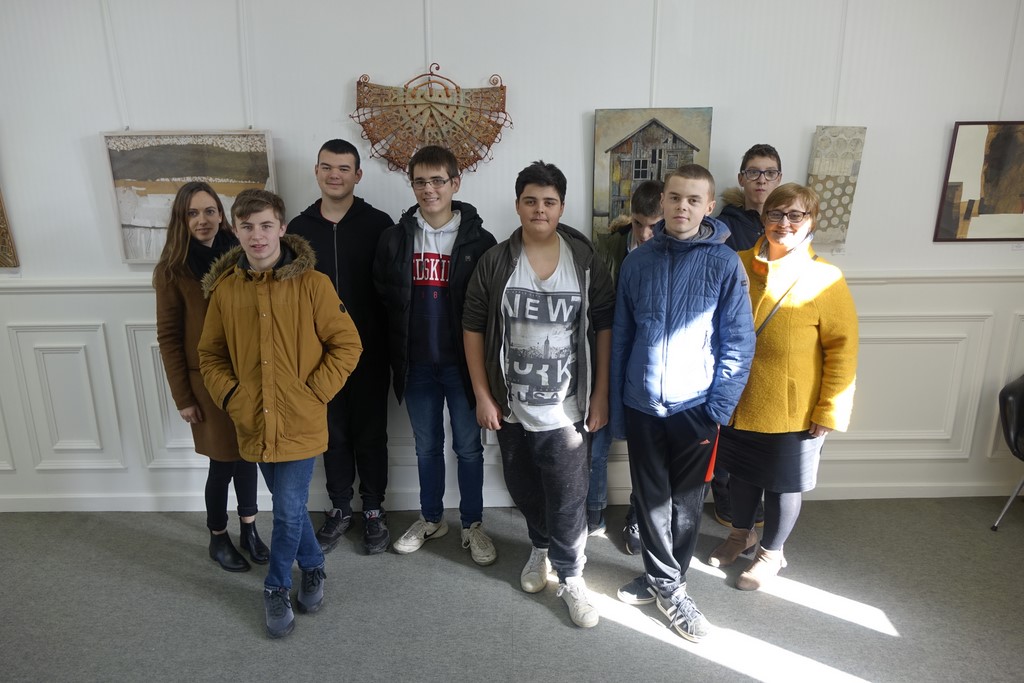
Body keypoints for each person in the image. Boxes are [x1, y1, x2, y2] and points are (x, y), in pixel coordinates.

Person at [198, 189, 362, 639]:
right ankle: (313, 564)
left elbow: (347, 345)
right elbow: (210, 355)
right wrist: (233, 397)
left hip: (300, 420)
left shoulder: (313, 284)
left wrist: (315, 393)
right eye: (247, 226)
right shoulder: (226, 290)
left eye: (266, 225)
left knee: (287, 512)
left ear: (282, 229)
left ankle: (274, 587)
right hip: (253, 419)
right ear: (236, 230)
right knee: (290, 509)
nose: (258, 235)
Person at [464, 161, 615, 628]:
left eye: (549, 202)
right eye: (530, 200)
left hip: (567, 409)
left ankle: (571, 577)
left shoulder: (584, 259)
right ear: (517, 205)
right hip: (511, 407)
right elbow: (472, 325)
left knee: (569, 498)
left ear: (561, 207)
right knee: (524, 488)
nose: (539, 209)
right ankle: (541, 546)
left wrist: (601, 393)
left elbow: (604, 325)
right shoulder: (496, 261)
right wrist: (483, 395)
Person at [611, 164, 754, 642]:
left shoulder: (725, 263)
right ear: (662, 202)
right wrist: (619, 406)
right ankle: (666, 584)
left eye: (694, 200)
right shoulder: (637, 262)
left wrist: (718, 409)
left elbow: (738, 343)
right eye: (675, 198)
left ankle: (668, 584)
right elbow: (622, 337)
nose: (682, 207)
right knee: (650, 500)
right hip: (642, 403)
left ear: (708, 207)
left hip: (696, 407)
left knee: (686, 506)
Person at [708, 183, 858, 591]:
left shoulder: (826, 278)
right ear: (763, 218)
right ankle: (740, 536)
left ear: (811, 221)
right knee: (739, 476)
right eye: (776, 213)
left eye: (796, 215)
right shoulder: (737, 262)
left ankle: (771, 554)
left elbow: (843, 350)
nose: (784, 223)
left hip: (794, 409)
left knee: (782, 485)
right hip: (738, 399)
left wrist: (829, 410)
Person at [373, 145, 498, 565]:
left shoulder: (480, 241)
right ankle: (431, 518)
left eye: (438, 181)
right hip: (417, 364)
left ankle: (472, 523)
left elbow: (490, 311)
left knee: (469, 448)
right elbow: (382, 300)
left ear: (455, 183)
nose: (429, 189)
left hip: (463, 366)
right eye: (420, 182)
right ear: (412, 185)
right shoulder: (395, 239)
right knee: (426, 447)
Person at [153, 181, 268, 573]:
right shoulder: (172, 270)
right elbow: (168, 337)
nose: (202, 220)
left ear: (221, 215)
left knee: (248, 457)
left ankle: (249, 529)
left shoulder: (242, 257)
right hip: (205, 383)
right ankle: (218, 537)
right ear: (181, 220)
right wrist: (183, 397)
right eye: (192, 213)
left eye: (209, 211)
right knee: (222, 463)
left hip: (248, 377)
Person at [287, 139, 394, 555]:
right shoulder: (297, 229)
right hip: (318, 357)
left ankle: (373, 509)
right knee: (331, 433)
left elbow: (393, 290)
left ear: (357, 175)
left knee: (371, 433)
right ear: (316, 172)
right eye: (327, 167)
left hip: (370, 351)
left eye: (344, 168)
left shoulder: (379, 224)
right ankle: (339, 507)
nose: (335, 175)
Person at [712, 144, 783, 526]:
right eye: (754, 172)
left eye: (769, 172)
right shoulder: (727, 225)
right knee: (729, 418)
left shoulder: (786, 221)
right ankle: (724, 493)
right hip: (732, 330)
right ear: (741, 178)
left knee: (761, 421)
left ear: (778, 178)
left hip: (773, 331)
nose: (761, 180)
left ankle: (754, 493)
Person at [591, 179, 662, 554]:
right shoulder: (606, 249)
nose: (646, 234)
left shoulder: (676, 254)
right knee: (596, 439)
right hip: (610, 356)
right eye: (638, 224)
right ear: (630, 217)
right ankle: (593, 510)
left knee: (646, 449)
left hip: (650, 365)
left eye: (654, 226)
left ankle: (638, 512)